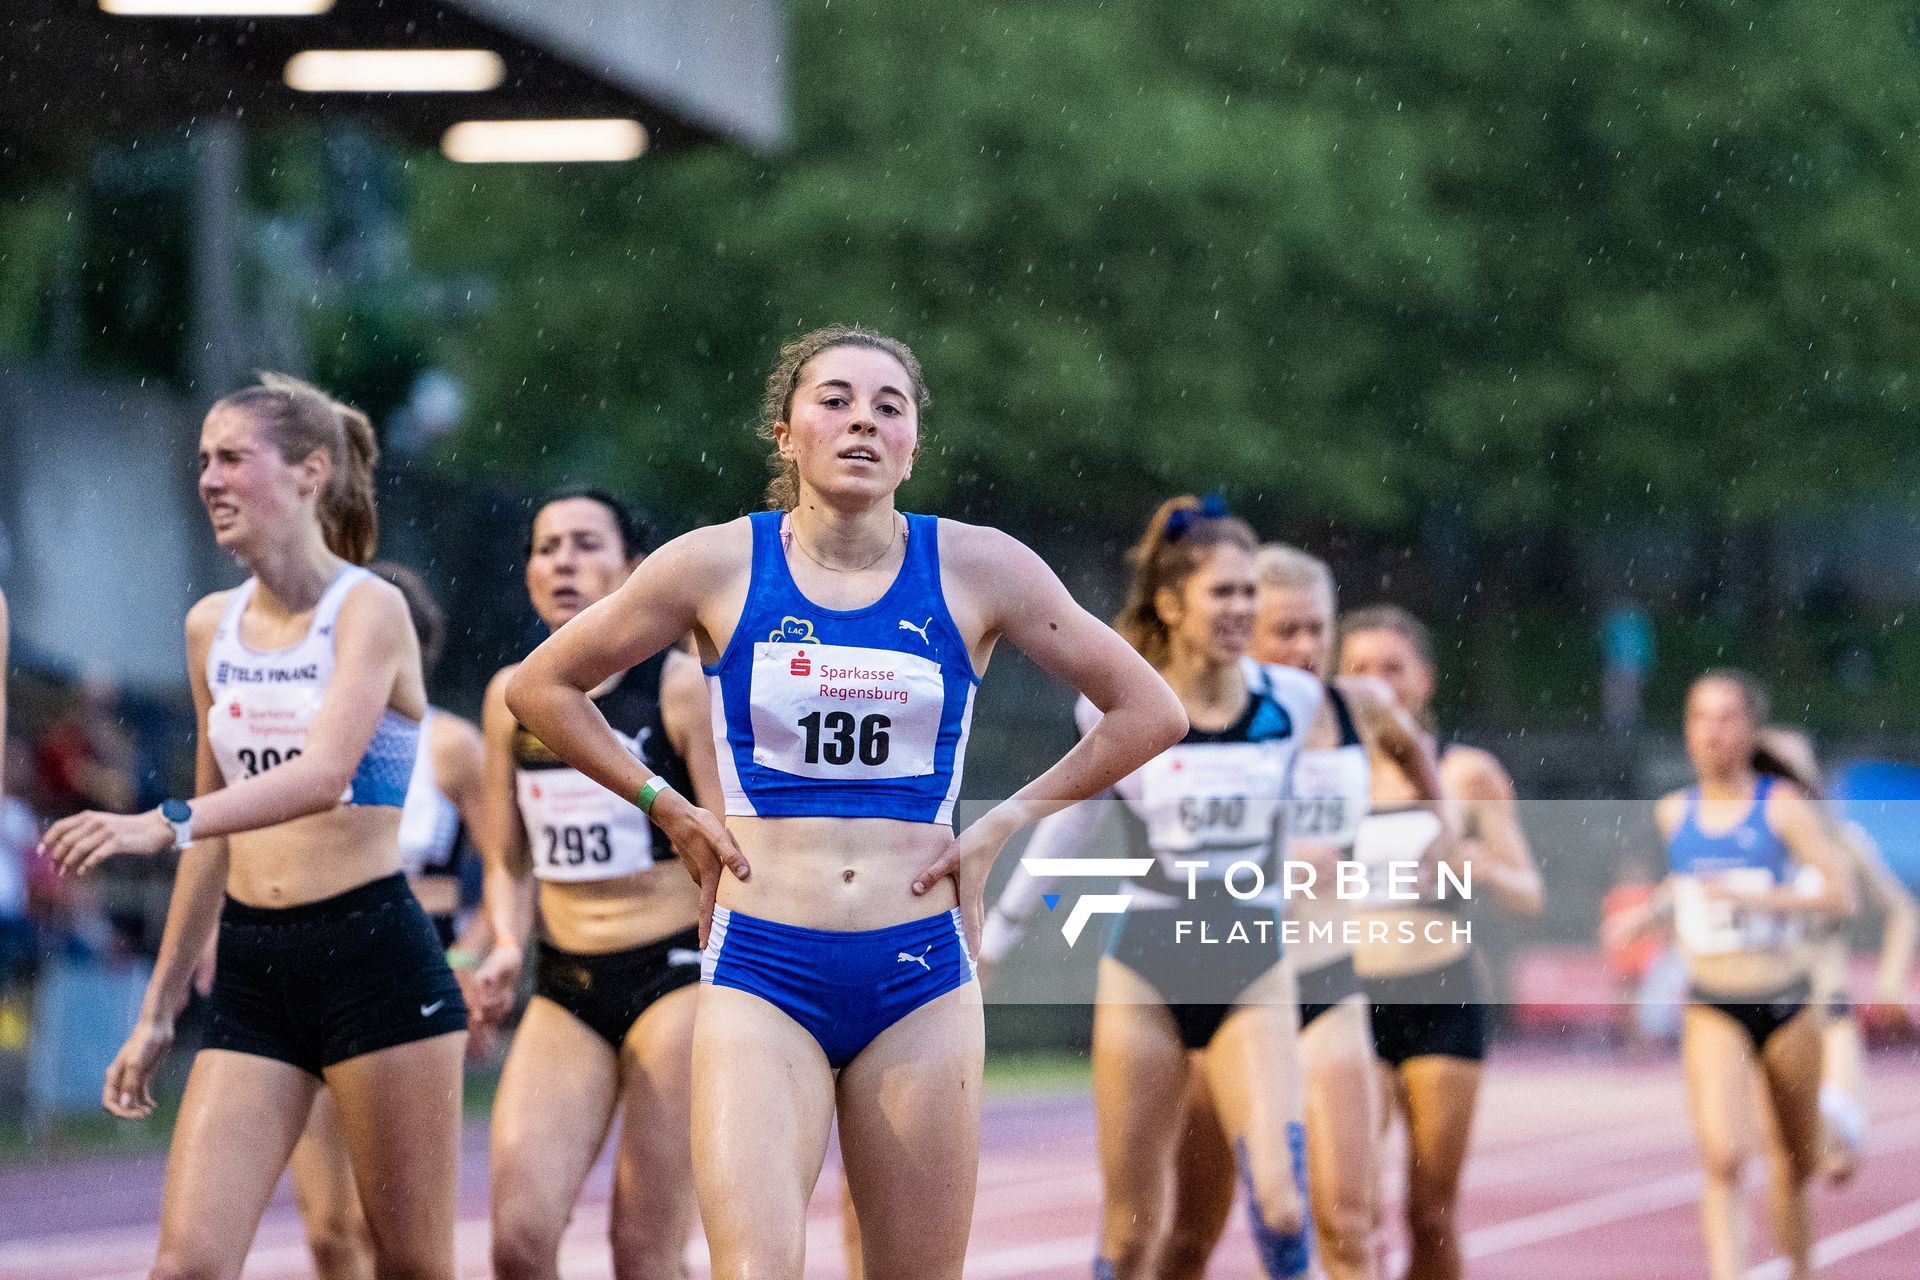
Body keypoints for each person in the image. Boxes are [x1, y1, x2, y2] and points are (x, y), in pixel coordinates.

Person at [503, 325, 1186, 1280]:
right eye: (834, 399)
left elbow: (1150, 710)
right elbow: (540, 689)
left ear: (913, 444)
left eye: (889, 406)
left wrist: (1002, 821)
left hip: (918, 978)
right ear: (785, 433)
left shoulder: (979, 568)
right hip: (761, 967)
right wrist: (667, 805)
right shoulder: (716, 565)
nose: (862, 418)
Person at [41, 373, 468, 1280]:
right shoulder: (210, 628)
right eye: (202, 459)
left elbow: (323, 776)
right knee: (187, 1265)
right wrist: (158, 1012)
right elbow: (215, 833)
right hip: (255, 973)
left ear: (311, 472)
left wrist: (161, 820)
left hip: (375, 961)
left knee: (413, 1265)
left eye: (232, 457)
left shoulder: (370, 610)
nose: (209, 477)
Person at [981, 498, 1324, 1279]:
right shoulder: (1120, 708)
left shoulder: (1292, 702)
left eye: (1249, 593)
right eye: (1224, 592)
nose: (1243, 609)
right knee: (1134, 1235)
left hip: (1252, 965)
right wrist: (997, 937)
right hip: (1146, 967)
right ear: (1172, 603)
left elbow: (1316, 805)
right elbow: (1067, 831)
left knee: (1281, 1205)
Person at [1151, 545, 1446, 1280]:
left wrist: (1440, 826)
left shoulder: (1357, 705)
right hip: (1223, 987)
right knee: (1189, 1234)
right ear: (1244, 626)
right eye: (1287, 631)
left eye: (1319, 629)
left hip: (1323, 980)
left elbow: (1417, 759)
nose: (1308, 648)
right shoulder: (1190, 713)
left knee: (1348, 1222)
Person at [468, 490, 722, 1280]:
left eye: (585, 544)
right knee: (517, 1242)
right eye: (546, 548)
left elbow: (725, 842)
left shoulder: (679, 688)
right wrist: (506, 943)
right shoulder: (510, 695)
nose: (563, 562)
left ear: (634, 569)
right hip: (566, 982)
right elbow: (506, 857)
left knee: (644, 1254)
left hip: (673, 976)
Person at [1609, 672, 1854, 1280]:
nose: (1713, 732)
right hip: (1714, 1000)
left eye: (1726, 718)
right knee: (1722, 1158)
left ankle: (1801, 1267)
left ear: (1750, 728)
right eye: (1700, 717)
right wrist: (1649, 911)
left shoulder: (1781, 806)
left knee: (1793, 1165)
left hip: (1786, 1001)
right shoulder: (1674, 813)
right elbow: (1689, 887)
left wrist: (1764, 900)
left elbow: (1841, 896)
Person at [284, 560, 489, 1280]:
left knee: (400, 1234)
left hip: (414, 958)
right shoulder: (300, 740)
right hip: (314, 956)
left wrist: (473, 958)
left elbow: (509, 870)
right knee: (329, 1231)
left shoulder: (453, 746)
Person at [1338, 605, 1542, 1280]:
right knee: (1348, 1208)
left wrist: (1482, 864)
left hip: (1440, 995)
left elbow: (1528, 892)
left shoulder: (1465, 773)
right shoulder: (1321, 773)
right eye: (1359, 668)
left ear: (1423, 680)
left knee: (1431, 1213)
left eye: (1391, 668)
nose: (1375, 683)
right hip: (1346, 999)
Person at [1750, 726, 1914, 1186]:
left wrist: (1890, 981)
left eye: (1789, 774)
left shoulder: (1843, 839)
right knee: (1785, 1158)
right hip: (1764, 1009)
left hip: (1827, 1007)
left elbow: (1901, 908)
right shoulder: (1741, 843)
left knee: (1837, 1140)